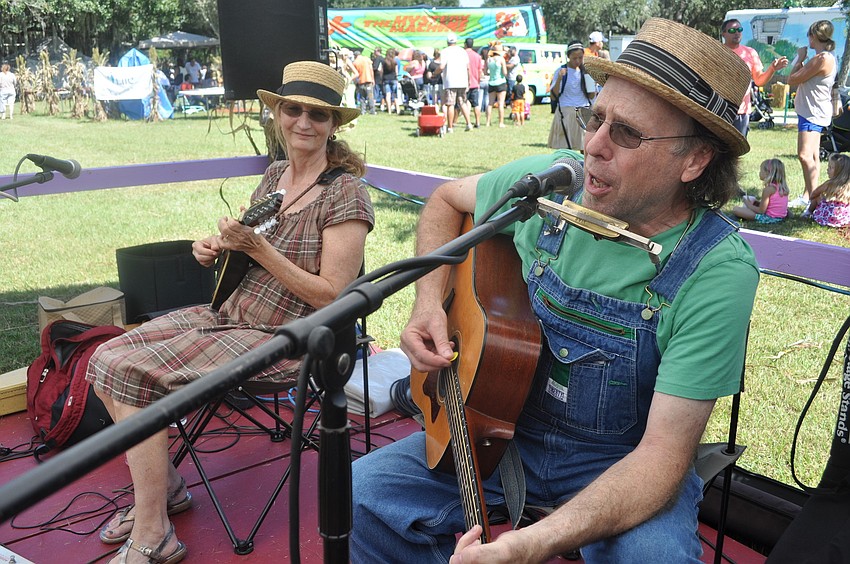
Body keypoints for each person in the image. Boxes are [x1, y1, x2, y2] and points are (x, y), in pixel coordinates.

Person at [351, 18, 758, 563]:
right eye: (596, 118)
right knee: (359, 495)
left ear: (695, 160)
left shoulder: (716, 269)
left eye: (627, 133)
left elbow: (662, 458)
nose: (593, 145)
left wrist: (529, 546)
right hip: (501, 433)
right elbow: (447, 201)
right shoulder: (551, 186)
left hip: (622, 464)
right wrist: (428, 304)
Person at [89, 61, 375, 564]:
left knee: (125, 369)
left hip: (288, 338)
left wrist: (258, 250)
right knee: (103, 355)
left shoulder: (345, 192)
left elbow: (333, 297)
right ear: (277, 114)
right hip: (230, 314)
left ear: (336, 124)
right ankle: (169, 486)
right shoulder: (273, 176)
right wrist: (215, 248)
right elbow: (246, 247)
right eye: (293, 109)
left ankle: (154, 531)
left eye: (318, 113)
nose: (303, 122)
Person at [788, 19, 837, 207]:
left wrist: (799, 58)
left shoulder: (821, 59)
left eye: (809, 35)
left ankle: (813, 202)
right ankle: (809, 194)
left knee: (804, 155)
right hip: (814, 110)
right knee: (814, 156)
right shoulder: (827, 57)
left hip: (812, 113)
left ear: (814, 36)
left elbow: (791, 79)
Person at [720, 19, 789, 137]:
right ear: (723, 34)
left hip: (741, 112)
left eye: (739, 30)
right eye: (732, 30)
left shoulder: (750, 53)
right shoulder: (717, 52)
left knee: (738, 151)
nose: (737, 33)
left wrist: (772, 69)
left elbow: (759, 81)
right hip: (719, 109)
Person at [548, 43, 595, 151]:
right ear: (568, 56)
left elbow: (591, 95)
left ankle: (585, 167)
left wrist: (591, 83)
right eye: (574, 58)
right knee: (565, 147)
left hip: (584, 110)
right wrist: (559, 78)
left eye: (580, 57)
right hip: (566, 111)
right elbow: (553, 95)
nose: (577, 61)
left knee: (586, 147)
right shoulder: (561, 71)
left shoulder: (586, 71)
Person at [731, 158, 789, 223]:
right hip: (781, 217)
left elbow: (761, 211)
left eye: (761, 170)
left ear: (767, 173)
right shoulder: (780, 187)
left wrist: (749, 205)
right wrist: (757, 202)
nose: (759, 172)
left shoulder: (768, 189)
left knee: (736, 209)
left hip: (770, 219)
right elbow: (771, 205)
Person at [804, 152, 850, 226]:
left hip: (828, 217)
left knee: (817, 197)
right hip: (845, 219)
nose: (827, 169)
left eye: (830, 167)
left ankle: (808, 213)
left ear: (838, 171)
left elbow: (814, 194)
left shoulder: (829, 184)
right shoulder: (848, 185)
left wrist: (820, 199)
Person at [441, 32, 472, 132]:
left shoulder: (445, 51)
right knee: (463, 102)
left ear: (447, 42)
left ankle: (450, 127)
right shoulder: (462, 51)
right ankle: (469, 124)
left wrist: (435, 73)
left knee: (450, 104)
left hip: (450, 81)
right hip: (462, 81)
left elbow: (442, 66)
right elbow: (468, 67)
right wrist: (468, 80)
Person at [486, 42, 508, 127]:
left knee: (490, 103)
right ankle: (501, 122)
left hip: (491, 82)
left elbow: (485, 72)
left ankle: (488, 122)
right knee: (501, 103)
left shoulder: (489, 59)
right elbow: (505, 72)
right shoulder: (501, 59)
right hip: (501, 82)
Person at [465, 38, 484, 128]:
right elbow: (480, 71)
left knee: (465, 103)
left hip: (464, 83)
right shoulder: (477, 56)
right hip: (475, 83)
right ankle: (478, 122)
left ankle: (467, 121)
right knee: (476, 104)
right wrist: (478, 81)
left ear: (465, 44)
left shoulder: (463, 54)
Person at [352, 49, 376, 115]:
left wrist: (355, 82)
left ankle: (363, 111)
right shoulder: (367, 59)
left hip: (361, 81)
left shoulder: (355, 62)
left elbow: (355, 73)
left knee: (362, 97)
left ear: (355, 56)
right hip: (369, 80)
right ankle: (372, 110)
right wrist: (373, 79)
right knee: (370, 96)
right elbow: (371, 70)